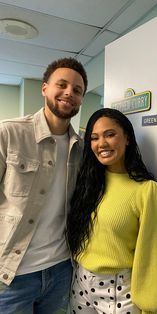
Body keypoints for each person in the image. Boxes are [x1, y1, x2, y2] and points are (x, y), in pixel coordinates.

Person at [0, 57, 88, 314]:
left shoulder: (81, 148)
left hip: (60, 269)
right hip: (13, 275)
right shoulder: (9, 133)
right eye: (62, 84)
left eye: (78, 90)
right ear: (44, 88)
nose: (69, 92)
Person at [67, 108, 157, 314]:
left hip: (118, 290)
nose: (102, 144)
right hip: (80, 282)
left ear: (127, 139)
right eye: (94, 138)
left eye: (110, 134)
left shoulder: (147, 191)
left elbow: (155, 255)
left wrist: (150, 307)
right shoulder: (88, 182)